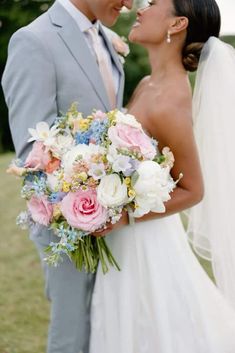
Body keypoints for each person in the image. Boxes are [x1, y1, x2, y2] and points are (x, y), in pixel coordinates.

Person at [89, 0, 235, 352]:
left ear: (177, 24)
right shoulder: (149, 83)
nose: (141, 8)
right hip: (131, 235)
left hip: (146, 241)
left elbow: (193, 189)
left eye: (154, 4)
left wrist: (123, 216)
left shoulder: (169, 101)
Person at [1, 0, 133, 352]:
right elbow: (33, 151)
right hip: (68, 226)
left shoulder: (106, 37)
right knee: (72, 334)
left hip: (114, 216)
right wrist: (80, 204)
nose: (130, 4)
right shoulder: (35, 41)